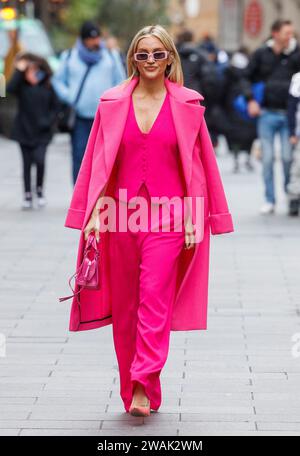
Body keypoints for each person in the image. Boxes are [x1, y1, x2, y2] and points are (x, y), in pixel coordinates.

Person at [62, 24, 234, 417]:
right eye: (143, 54)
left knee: (154, 300)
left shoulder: (188, 104)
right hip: (119, 217)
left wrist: (201, 216)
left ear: (170, 57)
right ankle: (136, 389)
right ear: (133, 59)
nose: (151, 60)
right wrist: (89, 215)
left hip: (171, 216)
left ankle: (143, 381)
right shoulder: (112, 103)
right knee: (125, 309)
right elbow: (94, 162)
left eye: (158, 53)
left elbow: (202, 165)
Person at [51, 21, 126, 185]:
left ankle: (101, 193)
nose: (95, 42)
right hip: (80, 118)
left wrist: (114, 102)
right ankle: (80, 197)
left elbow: (121, 82)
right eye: (91, 39)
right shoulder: (70, 56)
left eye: (97, 38)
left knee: (106, 157)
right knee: (80, 157)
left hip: (106, 117)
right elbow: (57, 81)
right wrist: (69, 96)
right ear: (83, 39)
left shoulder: (110, 56)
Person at [242, 19, 300, 214]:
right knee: (266, 158)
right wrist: (250, 100)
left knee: (286, 157)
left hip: (289, 115)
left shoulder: (296, 53)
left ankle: (289, 195)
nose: (290, 37)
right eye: (286, 33)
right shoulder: (261, 53)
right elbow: (245, 77)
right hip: (266, 113)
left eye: (291, 33)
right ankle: (270, 199)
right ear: (275, 33)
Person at [7, 52, 60, 210]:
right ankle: (27, 194)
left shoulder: (48, 85)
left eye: (36, 70)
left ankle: (39, 190)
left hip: (42, 132)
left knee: (40, 160)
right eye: (29, 70)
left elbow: (56, 107)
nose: (33, 74)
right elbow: (9, 89)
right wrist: (18, 70)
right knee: (27, 163)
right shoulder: (21, 86)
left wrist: (48, 121)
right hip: (24, 131)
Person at [221, 48, 257, 173]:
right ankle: (247, 157)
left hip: (232, 107)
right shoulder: (250, 72)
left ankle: (236, 158)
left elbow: (222, 90)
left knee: (234, 134)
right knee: (250, 133)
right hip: (248, 105)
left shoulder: (227, 72)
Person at [287, 72, 300, 215]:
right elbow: (292, 107)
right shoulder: (298, 78)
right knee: (298, 166)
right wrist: (292, 131)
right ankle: (294, 198)